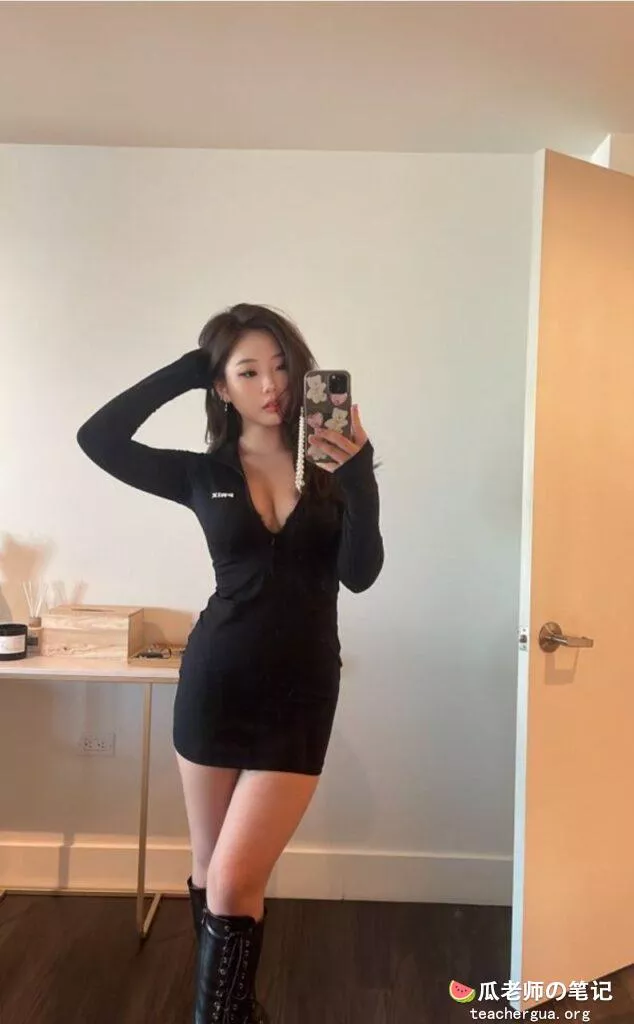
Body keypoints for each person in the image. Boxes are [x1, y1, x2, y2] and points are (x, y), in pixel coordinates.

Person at [76, 302, 384, 1024]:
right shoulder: (200, 473)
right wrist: (188, 369)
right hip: (214, 685)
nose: (271, 385)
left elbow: (361, 574)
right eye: (248, 371)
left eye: (281, 366)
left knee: (234, 877)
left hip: (301, 694)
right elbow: (98, 438)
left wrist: (361, 475)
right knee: (211, 868)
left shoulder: (333, 467)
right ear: (221, 386)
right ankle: (236, 1011)